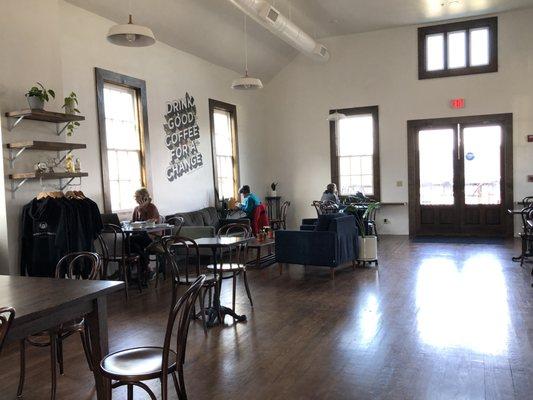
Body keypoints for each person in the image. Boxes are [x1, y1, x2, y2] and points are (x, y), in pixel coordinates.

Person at [129, 188, 161, 285]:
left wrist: (143, 209)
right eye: (135, 197)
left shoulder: (151, 207)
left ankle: (142, 268)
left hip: (152, 236)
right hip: (140, 235)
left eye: (137, 196)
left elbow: (150, 223)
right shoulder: (136, 209)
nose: (136, 198)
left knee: (130, 241)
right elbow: (134, 223)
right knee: (129, 241)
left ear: (144, 197)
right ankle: (146, 268)